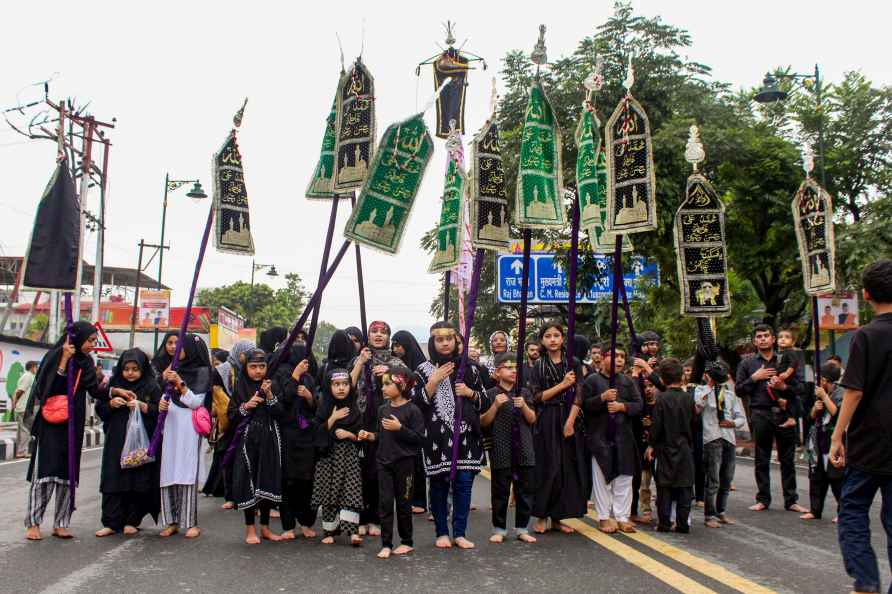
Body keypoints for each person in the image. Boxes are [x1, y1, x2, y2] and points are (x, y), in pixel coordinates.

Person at [830, 260, 892, 594]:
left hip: (868, 442)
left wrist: (837, 436)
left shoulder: (865, 336)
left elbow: (853, 392)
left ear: (866, 294)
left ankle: (866, 581)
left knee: (853, 509)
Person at [24, 322, 103, 540]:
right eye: (90, 340)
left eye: (95, 341)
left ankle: (61, 523)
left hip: (73, 425)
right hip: (51, 425)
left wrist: (116, 392)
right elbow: (45, 389)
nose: (92, 345)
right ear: (77, 339)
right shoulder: (54, 355)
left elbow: (95, 390)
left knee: (68, 475)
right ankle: (33, 522)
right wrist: (64, 360)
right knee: (45, 474)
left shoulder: (87, 362)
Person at [414, 322, 488, 549]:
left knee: (464, 484)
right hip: (436, 437)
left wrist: (470, 393)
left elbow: (485, 400)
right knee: (439, 484)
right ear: (433, 342)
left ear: (456, 341)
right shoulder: (422, 370)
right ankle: (441, 532)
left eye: (449, 338)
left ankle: (460, 532)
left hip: (467, 436)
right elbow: (415, 404)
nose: (445, 343)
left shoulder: (471, 369)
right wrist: (434, 381)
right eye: (439, 339)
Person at [735, 324, 806, 513]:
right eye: (759, 336)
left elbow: (801, 388)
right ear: (754, 341)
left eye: (766, 335)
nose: (763, 339)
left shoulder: (787, 359)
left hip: (784, 413)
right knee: (762, 457)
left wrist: (784, 388)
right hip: (760, 413)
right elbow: (739, 389)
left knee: (787, 459)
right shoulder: (747, 364)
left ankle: (791, 500)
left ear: (773, 339)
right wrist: (755, 378)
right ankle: (763, 499)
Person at [527, 323, 590, 535]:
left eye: (556, 335)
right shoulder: (539, 366)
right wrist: (562, 385)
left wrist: (570, 422)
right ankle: (542, 515)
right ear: (542, 340)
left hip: (570, 417)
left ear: (563, 338)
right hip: (547, 418)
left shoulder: (573, 363)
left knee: (566, 468)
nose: (552, 339)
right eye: (548, 336)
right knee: (548, 466)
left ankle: (559, 517)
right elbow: (537, 397)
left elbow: (580, 394)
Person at [358, 363, 424, 559]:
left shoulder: (413, 411)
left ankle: (406, 542)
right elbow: (381, 435)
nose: (383, 387)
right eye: (382, 383)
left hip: (405, 464)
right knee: (385, 503)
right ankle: (386, 543)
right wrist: (369, 436)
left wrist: (400, 428)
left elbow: (419, 439)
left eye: (387, 384)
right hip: (384, 463)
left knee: (404, 504)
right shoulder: (383, 410)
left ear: (401, 386)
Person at [95, 349, 162, 536]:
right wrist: (110, 404)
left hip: (140, 442)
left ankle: (132, 520)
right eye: (126, 369)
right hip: (116, 440)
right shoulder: (115, 385)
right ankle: (110, 522)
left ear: (143, 369)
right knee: (112, 479)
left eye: (135, 369)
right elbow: (100, 409)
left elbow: (160, 412)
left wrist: (143, 406)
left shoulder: (151, 387)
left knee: (137, 481)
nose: (130, 373)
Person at [582, 342, 642, 534]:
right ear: (603, 357)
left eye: (622, 356)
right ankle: (604, 517)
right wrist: (602, 398)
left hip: (623, 437)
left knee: (624, 478)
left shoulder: (627, 381)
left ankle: (622, 516)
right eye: (614, 355)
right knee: (603, 480)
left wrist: (622, 407)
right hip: (600, 438)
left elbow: (639, 406)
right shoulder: (592, 380)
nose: (619, 360)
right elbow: (584, 405)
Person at [350, 321, 403, 537]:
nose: (379, 335)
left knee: (380, 473)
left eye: (383, 332)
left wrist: (390, 373)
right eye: (374, 331)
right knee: (360, 471)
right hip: (360, 419)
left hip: (385, 421)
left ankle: (377, 519)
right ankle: (360, 517)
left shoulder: (395, 361)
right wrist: (360, 363)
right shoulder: (358, 358)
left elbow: (406, 385)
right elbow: (347, 386)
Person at [157, 333, 211, 539]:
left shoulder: (202, 371)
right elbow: (161, 394)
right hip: (170, 423)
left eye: (180, 345)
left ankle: (190, 522)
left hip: (189, 425)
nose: (174, 349)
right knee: (168, 469)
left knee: (187, 470)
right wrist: (162, 401)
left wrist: (179, 381)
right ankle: (171, 521)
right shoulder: (168, 369)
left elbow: (196, 402)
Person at [480, 352, 537, 544]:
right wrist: (495, 406)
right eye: (508, 367)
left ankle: (522, 528)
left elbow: (532, 419)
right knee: (500, 491)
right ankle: (499, 528)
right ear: (497, 372)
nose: (513, 371)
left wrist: (524, 407)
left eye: (516, 368)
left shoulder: (525, 392)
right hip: (501, 448)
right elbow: (483, 423)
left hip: (524, 448)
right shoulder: (490, 394)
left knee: (525, 491)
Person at [229, 348, 283, 544]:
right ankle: (250, 529)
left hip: (269, 439)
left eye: (262, 366)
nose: (258, 370)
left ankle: (266, 528)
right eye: (253, 367)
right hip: (247, 440)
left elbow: (280, 413)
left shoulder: (272, 385)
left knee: (266, 482)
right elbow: (232, 414)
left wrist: (269, 395)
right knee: (247, 483)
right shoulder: (240, 386)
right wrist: (246, 405)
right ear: (246, 367)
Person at [311, 368, 364, 546]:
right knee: (329, 493)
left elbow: (360, 435)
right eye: (336, 384)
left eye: (345, 384)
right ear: (329, 386)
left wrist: (349, 434)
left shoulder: (354, 408)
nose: (341, 388)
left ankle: (353, 532)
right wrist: (332, 419)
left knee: (351, 491)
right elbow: (315, 432)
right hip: (328, 458)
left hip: (349, 457)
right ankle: (329, 531)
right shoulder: (324, 406)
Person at [273, 342, 318, 540]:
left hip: (306, 436)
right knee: (288, 482)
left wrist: (309, 397)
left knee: (306, 481)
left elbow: (316, 407)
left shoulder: (309, 378)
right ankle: (288, 525)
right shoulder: (280, 375)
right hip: (288, 435)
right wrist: (294, 376)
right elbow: (283, 401)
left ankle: (306, 522)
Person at [203, 340, 255, 507]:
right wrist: (234, 411)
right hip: (228, 420)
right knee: (228, 457)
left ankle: (246, 495)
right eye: (245, 353)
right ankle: (231, 496)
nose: (246, 357)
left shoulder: (249, 371)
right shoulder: (222, 371)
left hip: (246, 418)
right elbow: (218, 396)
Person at [646, 358, 695, 533]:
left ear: (663, 378)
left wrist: (651, 445)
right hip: (685, 447)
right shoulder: (689, 399)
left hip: (665, 447)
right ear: (681, 377)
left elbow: (657, 425)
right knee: (685, 487)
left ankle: (664, 523)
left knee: (664, 487)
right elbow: (694, 424)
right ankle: (683, 524)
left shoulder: (662, 399)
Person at [695, 361, 746, 528]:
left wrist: (731, 423)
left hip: (729, 438)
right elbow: (698, 407)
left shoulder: (730, 394)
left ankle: (721, 511)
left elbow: (740, 418)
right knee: (713, 479)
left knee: (726, 478)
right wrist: (709, 385)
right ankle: (709, 515)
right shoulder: (701, 390)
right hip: (712, 438)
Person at [390, 329, 428, 515]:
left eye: (399, 345)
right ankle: (405, 498)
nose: (396, 349)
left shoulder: (421, 366)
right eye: (394, 345)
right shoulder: (393, 364)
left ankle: (420, 500)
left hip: (417, 416)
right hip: (397, 415)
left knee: (417, 460)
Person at [801, 363, 844, 522]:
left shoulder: (840, 393)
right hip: (817, 441)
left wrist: (825, 398)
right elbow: (810, 418)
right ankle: (815, 510)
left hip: (832, 440)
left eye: (820, 378)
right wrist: (815, 408)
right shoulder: (818, 393)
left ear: (825, 380)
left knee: (836, 478)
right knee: (816, 477)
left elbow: (838, 414)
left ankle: (843, 511)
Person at [13, 361, 38, 458]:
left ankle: (20, 451)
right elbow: (19, 391)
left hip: (23, 407)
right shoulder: (28, 376)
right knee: (26, 430)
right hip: (24, 407)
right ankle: (22, 452)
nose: (37, 369)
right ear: (32, 367)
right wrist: (15, 403)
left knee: (22, 430)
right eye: (36, 367)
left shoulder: (29, 376)